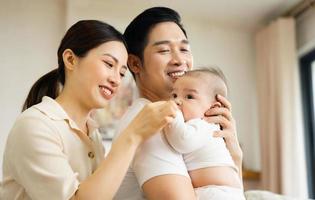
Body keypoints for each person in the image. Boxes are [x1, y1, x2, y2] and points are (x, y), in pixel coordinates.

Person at [1, 20, 178, 200]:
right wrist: (133, 135)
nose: (116, 80)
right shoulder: (35, 125)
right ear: (70, 59)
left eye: (122, 73)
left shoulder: (93, 135)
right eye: (109, 64)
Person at [113, 7, 243, 200]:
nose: (179, 60)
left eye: (184, 49)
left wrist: (234, 153)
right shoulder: (150, 119)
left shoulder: (186, 120)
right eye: (164, 50)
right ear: (134, 64)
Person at [164, 68, 245, 200]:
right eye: (174, 95)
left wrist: (173, 117)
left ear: (213, 108)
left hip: (218, 192)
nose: (177, 101)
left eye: (189, 97)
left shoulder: (204, 125)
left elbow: (182, 141)